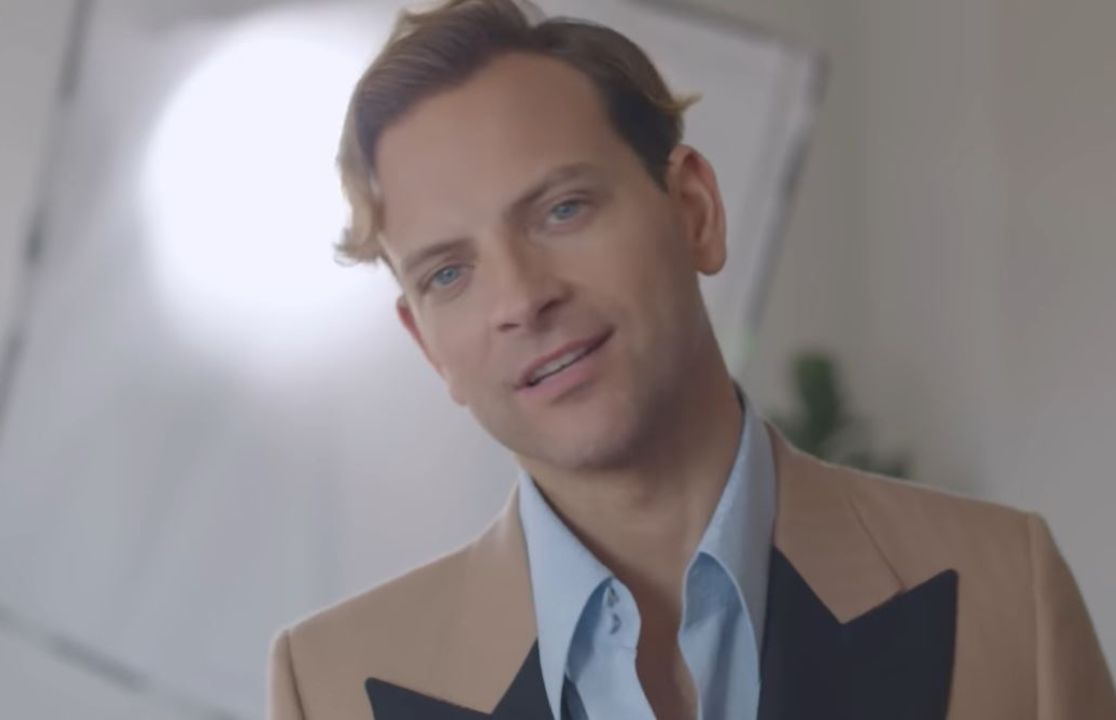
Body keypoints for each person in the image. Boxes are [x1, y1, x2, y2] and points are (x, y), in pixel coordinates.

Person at [267, 1, 1116, 718]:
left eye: (562, 210)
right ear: (427, 346)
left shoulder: (1009, 591)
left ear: (694, 210)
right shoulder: (327, 688)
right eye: (449, 273)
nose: (522, 299)